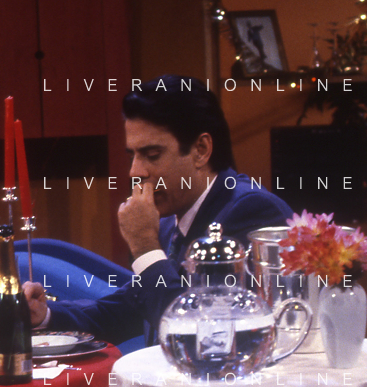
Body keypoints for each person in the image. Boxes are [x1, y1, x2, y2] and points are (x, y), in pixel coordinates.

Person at [24, 75, 293, 345]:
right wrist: (45, 315)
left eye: (152, 155)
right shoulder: (167, 223)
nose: (135, 172)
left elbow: (198, 336)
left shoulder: (252, 211)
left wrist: (145, 247)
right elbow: (124, 311)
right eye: (133, 156)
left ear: (200, 150)